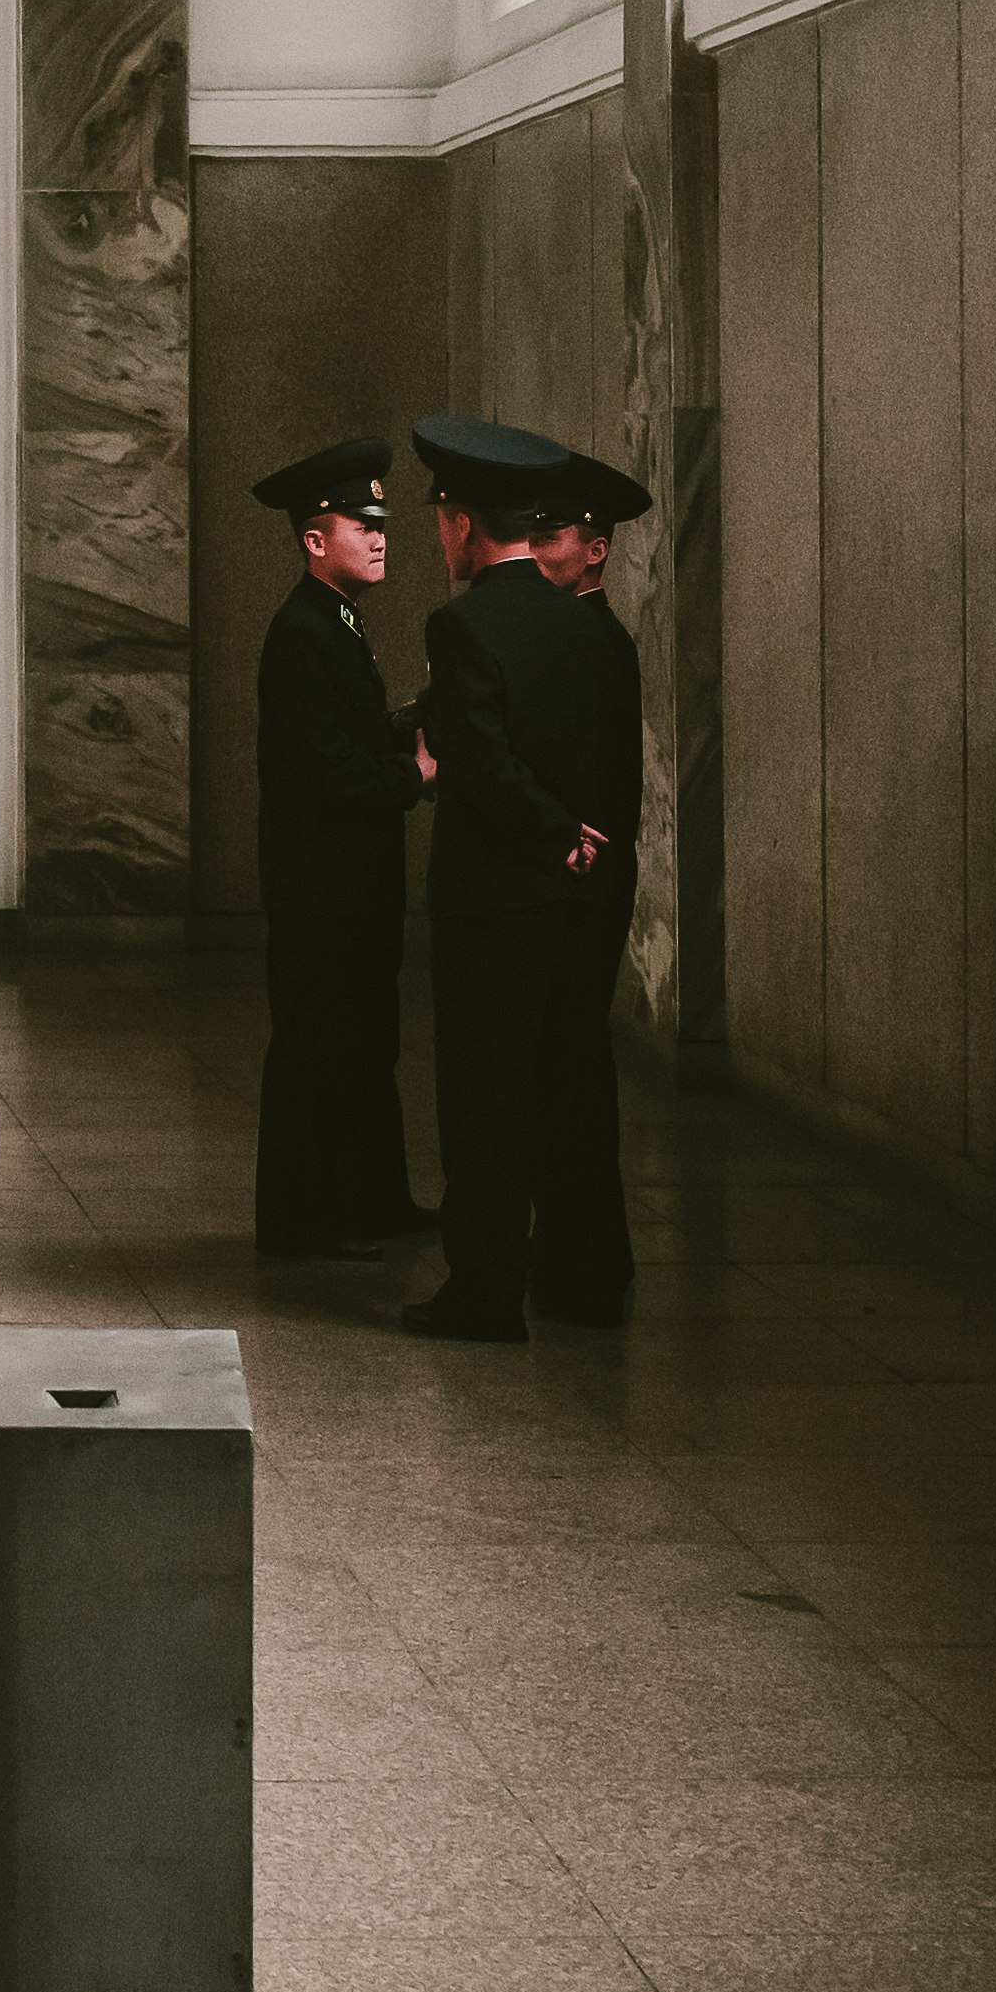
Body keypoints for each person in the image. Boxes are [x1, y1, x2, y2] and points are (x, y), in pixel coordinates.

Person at [402, 414, 652, 1341]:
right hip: (578, 907)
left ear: (462, 525)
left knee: (486, 1098)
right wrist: (588, 858)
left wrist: (556, 839)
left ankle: (484, 1292)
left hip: (497, 901)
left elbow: (485, 761)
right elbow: (605, 769)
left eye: (441, 523)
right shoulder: (592, 631)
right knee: (572, 1088)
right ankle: (585, 1280)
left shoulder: (463, 624)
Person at [246, 435, 435, 1253]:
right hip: (323, 889)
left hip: (347, 887)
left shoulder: (334, 622)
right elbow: (325, 770)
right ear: (316, 541)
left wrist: (403, 727)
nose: (379, 534)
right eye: (361, 524)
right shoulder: (303, 632)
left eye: (381, 521)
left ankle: (371, 1204)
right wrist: (416, 776)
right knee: (320, 1047)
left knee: (361, 1044)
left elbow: (344, 733)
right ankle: (300, 1220)